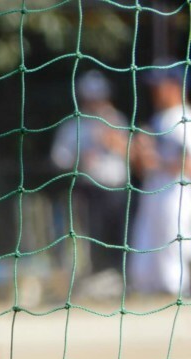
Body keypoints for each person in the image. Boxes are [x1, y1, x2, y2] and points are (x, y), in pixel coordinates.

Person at [50, 69, 129, 277]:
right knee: (94, 236)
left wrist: (112, 137)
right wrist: (80, 158)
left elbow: (130, 152)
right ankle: (97, 276)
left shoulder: (116, 119)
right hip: (90, 190)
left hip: (118, 188)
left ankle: (122, 277)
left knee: (122, 236)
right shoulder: (72, 125)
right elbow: (59, 158)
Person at [129, 62, 191, 296]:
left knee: (173, 249)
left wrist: (158, 162)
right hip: (154, 193)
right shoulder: (158, 120)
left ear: (175, 86)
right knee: (144, 251)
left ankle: (178, 295)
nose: (154, 91)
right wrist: (138, 152)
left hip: (177, 195)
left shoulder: (184, 118)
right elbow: (140, 169)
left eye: (160, 85)